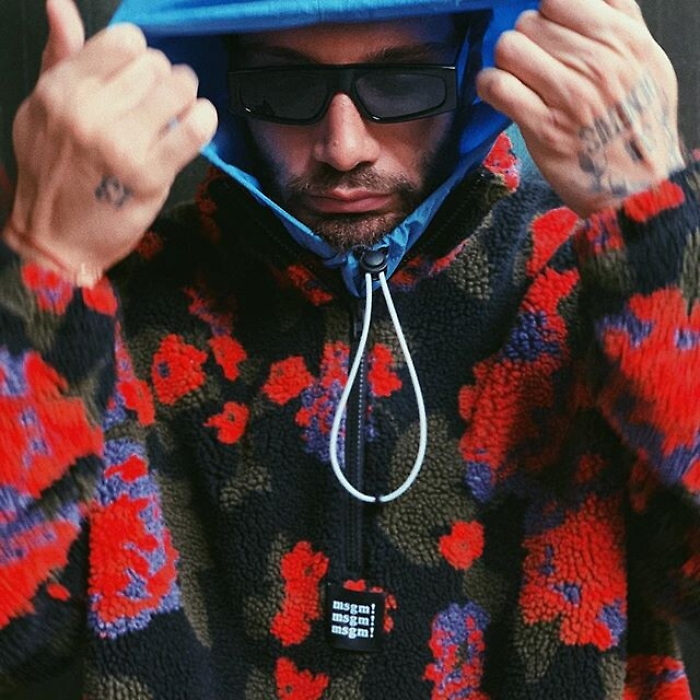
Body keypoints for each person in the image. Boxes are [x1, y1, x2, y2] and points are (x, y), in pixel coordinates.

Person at [1, 0, 699, 696]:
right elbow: (18, 636)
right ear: (223, 75)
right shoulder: (116, 293)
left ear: (469, 68)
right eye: (285, 85)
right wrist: (47, 264)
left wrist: (660, 233)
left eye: (401, 82)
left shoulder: (596, 272)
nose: (343, 148)